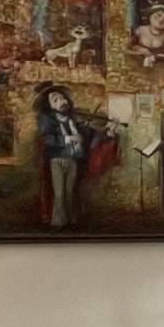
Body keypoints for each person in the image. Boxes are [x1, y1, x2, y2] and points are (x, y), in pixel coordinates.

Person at [34, 83, 119, 229]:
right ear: (50, 106)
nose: (61, 101)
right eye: (55, 100)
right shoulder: (47, 121)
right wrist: (68, 140)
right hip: (57, 160)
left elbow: (89, 135)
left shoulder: (72, 121)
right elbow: (48, 140)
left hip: (73, 160)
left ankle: (71, 221)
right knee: (59, 193)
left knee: (70, 192)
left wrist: (108, 132)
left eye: (62, 98)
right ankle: (58, 223)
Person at [130, 2, 164, 67]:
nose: (161, 20)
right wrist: (138, 48)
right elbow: (129, 46)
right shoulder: (140, 30)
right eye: (158, 15)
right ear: (150, 16)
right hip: (137, 64)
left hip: (159, 67)